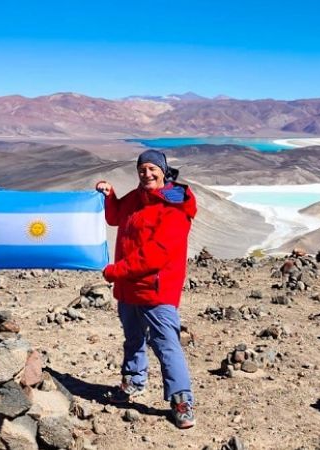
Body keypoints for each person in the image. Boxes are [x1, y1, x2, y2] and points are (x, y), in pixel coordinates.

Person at [95, 149, 197, 429]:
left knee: (166, 344)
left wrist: (115, 271)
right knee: (133, 338)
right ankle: (133, 382)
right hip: (130, 288)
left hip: (156, 289)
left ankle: (182, 401)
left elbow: (157, 253)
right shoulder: (136, 197)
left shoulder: (174, 205)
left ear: (164, 171)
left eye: (153, 169)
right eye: (142, 169)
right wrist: (110, 195)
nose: (147, 174)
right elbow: (116, 217)